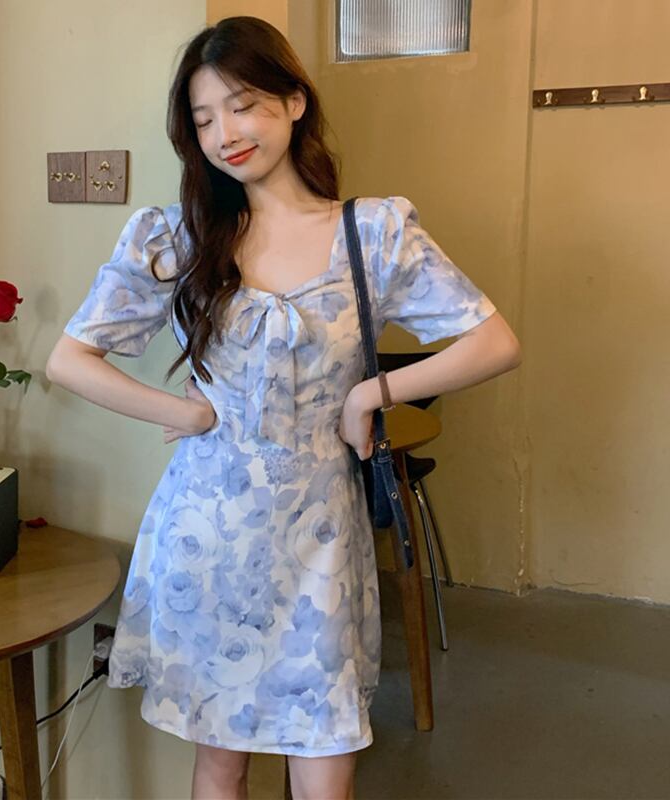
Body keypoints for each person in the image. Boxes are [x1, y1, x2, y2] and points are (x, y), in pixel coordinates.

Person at [46, 15, 521, 800]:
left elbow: (493, 341)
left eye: (243, 106)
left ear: (294, 102)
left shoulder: (371, 235)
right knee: (220, 766)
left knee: (325, 761)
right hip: (208, 538)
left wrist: (372, 391)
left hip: (321, 543)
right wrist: (186, 413)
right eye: (204, 119)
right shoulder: (179, 237)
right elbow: (69, 359)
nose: (225, 134)